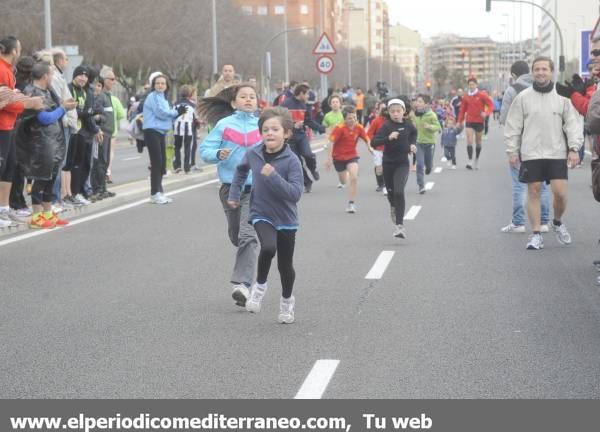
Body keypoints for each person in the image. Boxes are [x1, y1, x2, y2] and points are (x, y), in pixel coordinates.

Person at [227, 107, 303, 323]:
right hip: (261, 212)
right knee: (268, 247)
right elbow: (241, 170)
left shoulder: (292, 161)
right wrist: (234, 194)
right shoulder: (254, 153)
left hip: (287, 218)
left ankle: (287, 302)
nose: (269, 133)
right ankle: (259, 287)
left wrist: (273, 176)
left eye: (275, 129)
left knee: (285, 265)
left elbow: (295, 194)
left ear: (286, 133)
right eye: (265, 129)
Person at [504, 56, 582, 250]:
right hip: (531, 152)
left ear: (551, 72)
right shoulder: (523, 98)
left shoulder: (562, 97)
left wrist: (574, 148)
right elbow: (513, 125)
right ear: (532, 72)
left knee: (560, 194)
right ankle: (536, 234)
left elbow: (572, 124)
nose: (540, 72)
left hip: (557, 151)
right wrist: (512, 150)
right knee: (534, 191)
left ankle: (557, 222)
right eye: (536, 69)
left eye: (544, 69)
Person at [199, 83, 261, 307]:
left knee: (248, 236)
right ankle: (244, 269)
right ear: (234, 103)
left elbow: (276, 148)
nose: (248, 100)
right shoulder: (224, 125)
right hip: (230, 188)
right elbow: (204, 151)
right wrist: (218, 153)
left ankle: (242, 285)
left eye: (252, 97)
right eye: (243, 97)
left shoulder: (262, 125)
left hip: (256, 190)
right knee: (237, 235)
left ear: (257, 102)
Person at [18, 62, 77, 228]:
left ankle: (48, 213)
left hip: (53, 141)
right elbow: (44, 118)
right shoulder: (32, 92)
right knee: (41, 178)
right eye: (51, 74)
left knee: (51, 178)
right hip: (40, 142)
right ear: (45, 76)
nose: (53, 77)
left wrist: (66, 105)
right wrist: (63, 108)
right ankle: (37, 216)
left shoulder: (48, 90)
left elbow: (56, 109)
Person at [499, 59, 551, 234]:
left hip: (521, 144)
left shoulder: (512, 90)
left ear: (514, 75)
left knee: (520, 184)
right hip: (544, 143)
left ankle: (518, 223)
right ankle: (544, 222)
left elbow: (505, 119)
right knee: (542, 184)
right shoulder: (546, 86)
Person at [0, 36, 44, 228]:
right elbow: (5, 101)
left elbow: (11, 96)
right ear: (14, 51)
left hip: (8, 126)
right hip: (2, 125)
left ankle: (4, 209)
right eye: (19, 48)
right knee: (3, 168)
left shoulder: (9, 70)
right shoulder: (2, 69)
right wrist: (29, 103)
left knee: (9, 168)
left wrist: (25, 100)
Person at [372, 98, 417, 239]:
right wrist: (388, 137)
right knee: (391, 194)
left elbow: (414, 134)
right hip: (388, 163)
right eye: (392, 111)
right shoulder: (386, 126)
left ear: (404, 111)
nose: (396, 114)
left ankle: (399, 226)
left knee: (399, 191)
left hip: (402, 163)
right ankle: (393, 206)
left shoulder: (409, 125)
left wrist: (412, 145)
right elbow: (374, 142)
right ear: (389, 113)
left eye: (398, 111)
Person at [142, 73, 187, 204]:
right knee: (156, 163)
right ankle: (154, 193)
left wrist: (178, 113)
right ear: (153, 85)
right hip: (151, 131)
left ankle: (159, 191)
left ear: (166, 85)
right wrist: (176, 112)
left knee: (162, 164)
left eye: (163, 83)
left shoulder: (163, 98)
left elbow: (168, 116)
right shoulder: (153, 97)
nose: (160, 85)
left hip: (160, 132)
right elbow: (161, 113)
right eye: (157, 83)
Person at [325, 105, 372, 213]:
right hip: (338, 158)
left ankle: (351, 204)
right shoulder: (339, 128)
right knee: (343, 180)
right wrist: (329, 159)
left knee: (354, 178)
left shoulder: (359, 127)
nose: (353, 120)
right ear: (344, 119)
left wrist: (370, 147)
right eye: (350, 118)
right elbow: (331, 143)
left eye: (354, 117)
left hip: (352, 156)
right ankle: (344, 175)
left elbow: (367, 139)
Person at [282, 83, 325, 193]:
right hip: (289, 138)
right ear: (301, 93)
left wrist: (322, 129)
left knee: (308, 154)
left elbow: (309, 121)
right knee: (297, 163)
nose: (308, 97)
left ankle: (313, 168)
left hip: (301, 136)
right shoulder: (286, 104)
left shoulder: (304, 106)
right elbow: (279, 120)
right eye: (307, 94)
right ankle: (307, 182)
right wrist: (292, 124)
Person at [457, 77, 494, 170]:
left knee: (478, 142)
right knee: (469, 141)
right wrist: (459, 121)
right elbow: (462, 110)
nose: (471, 86)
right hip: (469, 121)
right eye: (470, 84)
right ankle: (469, 160)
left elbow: (491, 105)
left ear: (476, 85)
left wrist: (486, 113)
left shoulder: (481, 95)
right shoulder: (466, 97)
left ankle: (476, 159)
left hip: (479, 122)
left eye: (473, 84)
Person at [413, 94, 441, 194]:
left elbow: (438, 127)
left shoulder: (431, 114)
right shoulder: (416, 114)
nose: (418, 103)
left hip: (429, 143)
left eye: (420, 101)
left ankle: (429, 168)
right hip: (419, 143)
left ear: (426, 104)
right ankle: (421, 185)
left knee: (428, 165)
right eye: (417, 101)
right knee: (419, 164)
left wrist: (429, 126)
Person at [172, 84, 197, 174]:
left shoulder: (176, 103)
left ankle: (177, 166)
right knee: (188, 148)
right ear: (190, 94)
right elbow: (195, 118)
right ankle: (187, 167)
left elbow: (172, 115)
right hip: (188, 128)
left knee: (177, 147)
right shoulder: (192, 105)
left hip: (177, 128)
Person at [367, 101, 388, 194]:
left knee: (387, 167)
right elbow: (369, 134)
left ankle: (386, 185)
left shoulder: (391, 120)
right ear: (378, 110)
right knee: (379, 167)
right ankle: (380, 184)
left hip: (388, 149)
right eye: (382, 109)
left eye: (385, 108)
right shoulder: (375, 121)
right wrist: (374, 142)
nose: (384, 110)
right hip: (378, 149)